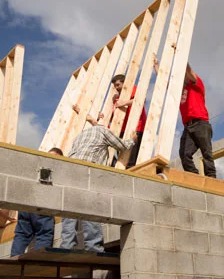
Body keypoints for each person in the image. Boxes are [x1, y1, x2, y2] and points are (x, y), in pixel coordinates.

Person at [60, 109, 137, 252]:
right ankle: (94, 248)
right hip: (87, 171)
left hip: (69, 172)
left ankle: (66, 247)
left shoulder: (80, 135)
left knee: (70, 211)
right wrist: (132, 140)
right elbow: (122, 145)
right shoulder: (103, 131)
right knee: (90, 207)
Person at [9, 147, 62, 257]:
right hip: (41, 205)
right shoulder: (52, 168)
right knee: (44, 234)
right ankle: (37, 265)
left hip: (25, 204)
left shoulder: (35, 166)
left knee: (21, 235)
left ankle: (12, 266)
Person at [179, 63, 216, 178]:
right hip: (188, 126)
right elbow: (166, 84)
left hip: (200, 123)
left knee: (206, 153)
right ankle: (193, 176)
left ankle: (211, 177)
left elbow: (190, 72)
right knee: (184, 154)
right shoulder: (180, 91)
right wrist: (156, 66)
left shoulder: (196, 83)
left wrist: (182, 58)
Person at [110, 74, 147, 168]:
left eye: (118, 85)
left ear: (124, 83)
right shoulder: (116, 98)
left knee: (132, 158)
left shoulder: (133, 89)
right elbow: (114, 115)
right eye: (115, 86)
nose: (117, 88)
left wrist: (124, 102)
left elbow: (141, 100)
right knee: (122, 158)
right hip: (121, 130)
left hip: (135, 127)